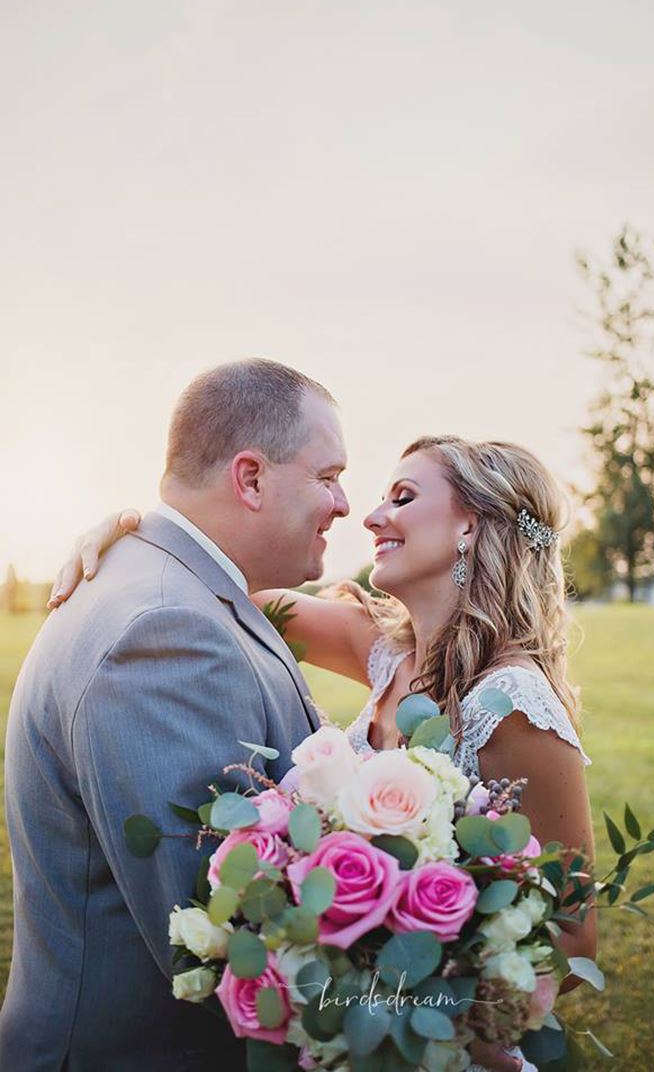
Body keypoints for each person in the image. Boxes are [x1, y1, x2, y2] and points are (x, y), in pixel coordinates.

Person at [51, 433, 597, 1072]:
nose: (369, 516)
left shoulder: (512, 703)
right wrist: (132, 536)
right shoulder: (384, 651)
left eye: (403, 496)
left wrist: (425, 1020)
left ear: (470, 523)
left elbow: (574, 940)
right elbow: (218, 584)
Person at [0, 360, 350, 1071]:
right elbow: (215, 926)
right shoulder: (163, 630)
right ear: (249, 479)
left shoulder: (184, 591)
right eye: (329, 475)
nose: (346, 504)